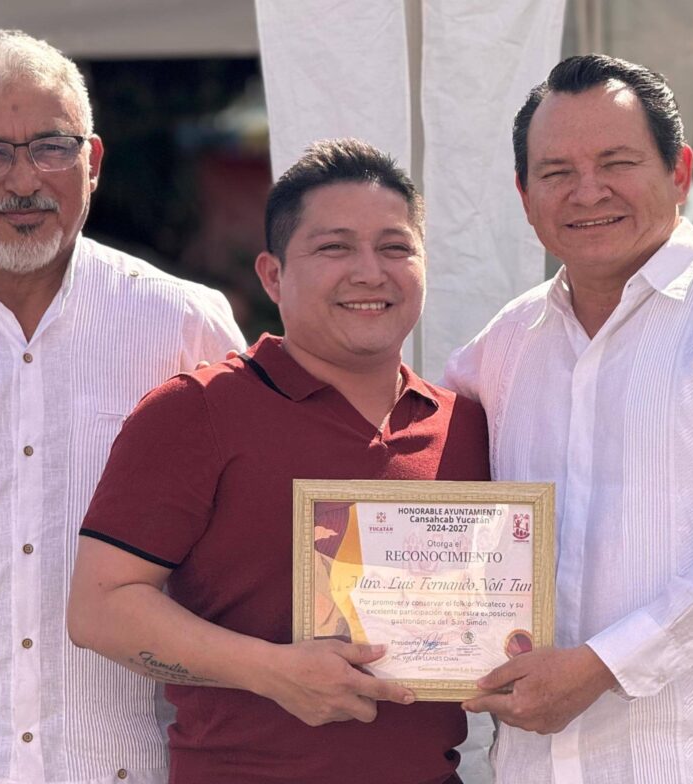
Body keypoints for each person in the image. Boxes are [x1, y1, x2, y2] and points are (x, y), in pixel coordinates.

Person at [444, 54, 693, 783]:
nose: (588, 191)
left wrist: (602, 666)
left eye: (616, 162)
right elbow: (415, 478)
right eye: (556, 171)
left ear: (678, 171)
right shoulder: (505, 344)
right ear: (524, 195)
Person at [67, 138, 490, 784]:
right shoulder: (197, 411)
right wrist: (274, 672)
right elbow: (100, 607)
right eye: (334, 248)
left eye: (396, 247)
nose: (370, 272)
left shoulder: (465, 427)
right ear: (272, 275)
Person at [0, 30, 245, 783]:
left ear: (94, 162)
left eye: (51, 147)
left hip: (124, 767)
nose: (24, 180)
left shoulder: (183, 324)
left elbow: (250, 557)